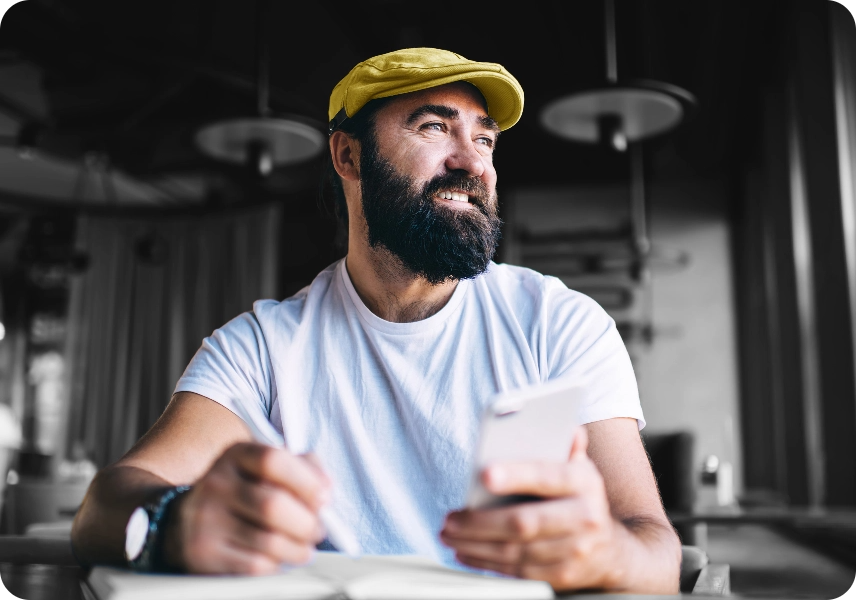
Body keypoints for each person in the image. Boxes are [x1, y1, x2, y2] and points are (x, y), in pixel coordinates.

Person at [71, 48, 681, 593]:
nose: (472, 162)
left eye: (486, 139)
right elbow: (102, 508)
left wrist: (606, 552)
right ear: (348, 155)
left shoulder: (558, 323)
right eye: (435, 127)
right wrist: (175, 524)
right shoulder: (264, 347)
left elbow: (656, 551)